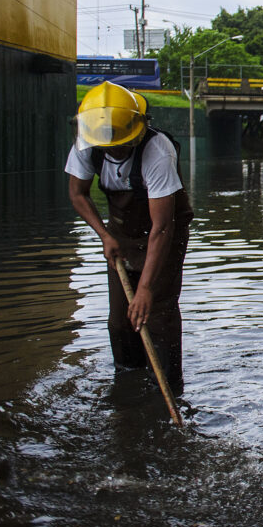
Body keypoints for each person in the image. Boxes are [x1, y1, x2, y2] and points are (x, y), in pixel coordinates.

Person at [65, 81, 193, 395]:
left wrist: (146, 287)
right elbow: (78, 194)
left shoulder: (157, 150)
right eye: (107, 143)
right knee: (121, 319)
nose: (114, 148)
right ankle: (127, 381)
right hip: (120, 233)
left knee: (156, 311)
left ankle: (167, 387)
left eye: (120, 142)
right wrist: (105, 235)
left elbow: (162, 227)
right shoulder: (87, 139)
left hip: (164, 231)